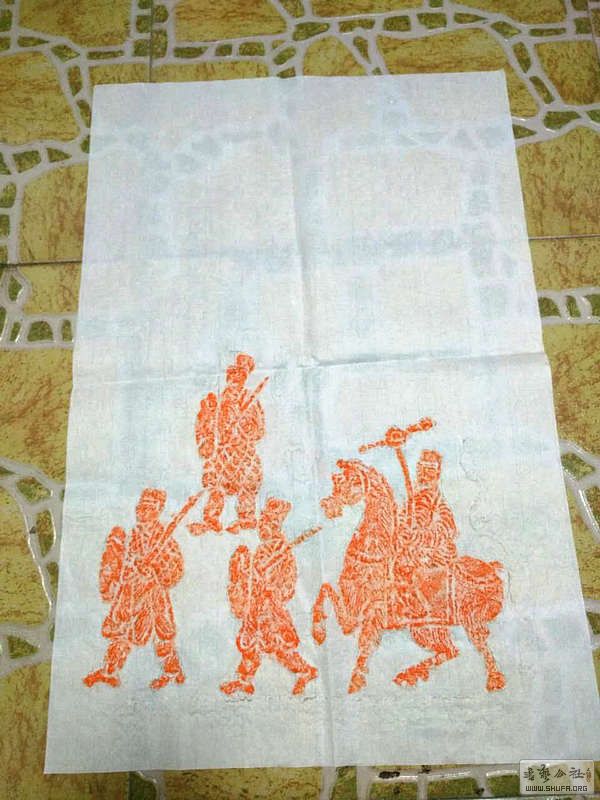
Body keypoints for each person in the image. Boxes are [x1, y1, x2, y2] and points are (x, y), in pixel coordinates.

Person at [83, 488, 191, 690]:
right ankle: (109, 671)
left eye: (148, 508)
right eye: (141, 507)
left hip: (153, 594)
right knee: (121, 632)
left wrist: (155, 570)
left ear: (157, 511)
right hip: (131, 590)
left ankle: (172, 672)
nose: (142, 511)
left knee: (163, 634)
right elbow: (120, 560)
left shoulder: (164, 539)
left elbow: (176, 566)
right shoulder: (132, 535)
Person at [221, 498, 318, 696]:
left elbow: (289, 581)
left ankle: (305, 671)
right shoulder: (263, 549)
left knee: (279, 645)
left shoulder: (283, 551)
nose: (261, 527)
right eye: (262, 523)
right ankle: (244, 680)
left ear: (275, 526)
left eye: (266, 524)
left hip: (271, 607)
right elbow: (252, 575)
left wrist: (273, 590)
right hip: (257, 604)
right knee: (250, 642)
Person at [190, 353, 265, 535]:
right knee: (216, 486)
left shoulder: (251, 401)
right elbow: (205, 423)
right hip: (222, 451)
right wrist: (206, 441)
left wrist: (245, 428)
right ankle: (211, 518)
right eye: (232, 374)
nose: (234, 378)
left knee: (247, 484)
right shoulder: (216, 400)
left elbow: (260, 429)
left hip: (244, 451)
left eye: (239, 375)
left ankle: (246, 519)